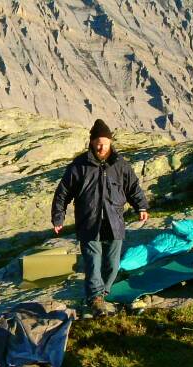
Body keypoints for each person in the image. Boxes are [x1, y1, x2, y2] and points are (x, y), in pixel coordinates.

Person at [51, 119, 149, 317]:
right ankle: (95, 298)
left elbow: (132, 188)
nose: (101, 146)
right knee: (93, 262)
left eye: (104, 142)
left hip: (114, 221)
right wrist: (58, 217)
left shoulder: (121, 165)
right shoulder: (79, 165)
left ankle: (102, 293)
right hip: (89, 221)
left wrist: (141, 206)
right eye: (97, 142)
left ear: (110, 142)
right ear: (92, 142)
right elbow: (63, 193)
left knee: (112, 264)